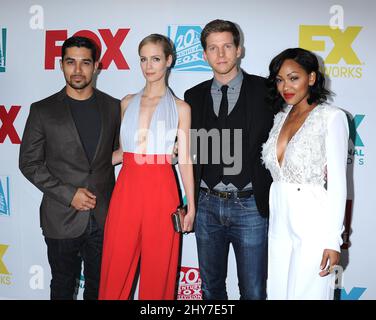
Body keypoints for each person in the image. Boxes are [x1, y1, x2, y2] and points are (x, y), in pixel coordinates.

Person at [19, 36, 121, 300]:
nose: (77, 70)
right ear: (61, 65)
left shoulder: (112, 107)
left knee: (99, 289)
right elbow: (28, 163)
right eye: (70, 62)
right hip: (60, 216)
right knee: (63, 287)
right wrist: (69, 194)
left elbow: (116, 153)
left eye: (85, 63)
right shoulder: (42, 110)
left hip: (103, 216)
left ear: (96, 66)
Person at [99, 34, 195, 300]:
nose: (148, 66)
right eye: (143, 59)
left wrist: (191, 206)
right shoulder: (126, 102)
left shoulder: (181, 108)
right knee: (114, 266)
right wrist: (80, 167)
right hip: (127, 189)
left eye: (155, 59)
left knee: (159, 269)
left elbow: (185, 159)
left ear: (168, 60)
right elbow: (122, 152)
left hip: (162, 189)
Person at [184, 19, 274, 300]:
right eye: (213, 48)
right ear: (204, 55)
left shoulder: (266, 92)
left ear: (239, 50)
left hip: (250, 205)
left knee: (254, 290)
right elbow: (189, 151)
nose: (220, 54)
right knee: (210, 290)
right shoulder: (192, 96)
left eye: (226, 47)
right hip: (207, 205)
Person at [261, 48, 349, 299]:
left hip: (313, 222)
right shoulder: (281, 117)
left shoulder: (331, 118)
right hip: (279, 222)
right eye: (280, 79)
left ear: (311, 78)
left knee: (308, 293)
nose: (285, 86)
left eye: (293, 77)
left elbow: (338, 185)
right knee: (278, 292)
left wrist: (333, 240)